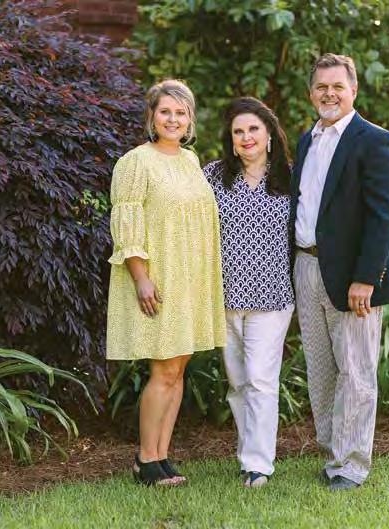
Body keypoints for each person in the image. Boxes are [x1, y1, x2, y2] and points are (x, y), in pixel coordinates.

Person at [290, 54, 389, 491]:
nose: (329, 94)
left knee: (355, 371)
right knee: (320, 369)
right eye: (322, 87)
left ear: (353, 90)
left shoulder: (375, 142)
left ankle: (350, 465)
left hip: (354, 276)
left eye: (338, 86)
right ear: (310, 93)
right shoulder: (308, 140)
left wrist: (366, 278)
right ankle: (333, 452)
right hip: (306, 266)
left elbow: (385, 217)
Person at [106, 79, 226, 486]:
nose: (173, 119)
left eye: (180, 113)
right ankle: (145, 459)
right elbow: (127, 226)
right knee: (163, 370)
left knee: (178, 369)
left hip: (190, 279)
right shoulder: (135, 162)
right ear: (152, 116)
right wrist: (140, 277)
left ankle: (161, 454)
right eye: (165, 112)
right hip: (158, 278)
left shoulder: (191, 161)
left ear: (190, 119)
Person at [202, 97, 294, 488]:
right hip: (224, 298)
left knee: (260, 379)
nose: (246, 137)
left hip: (272, 297)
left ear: (269, 133)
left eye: (253, 129)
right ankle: (247, 454)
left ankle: (259, 464)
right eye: (238, 131)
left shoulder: (290, 178)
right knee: (238, 382)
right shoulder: (212, 176)